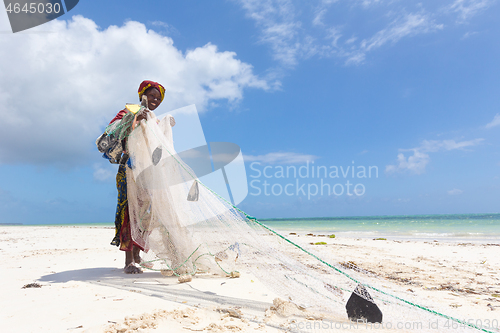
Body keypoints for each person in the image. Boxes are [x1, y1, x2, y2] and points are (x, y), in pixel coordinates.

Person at [108, 80, 175, 274]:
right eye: (152, 95)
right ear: (142, 95)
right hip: (129, 170)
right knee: (130, 211)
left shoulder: (153, 118)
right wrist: (134, 117)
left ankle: (138, 254)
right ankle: (129, 261)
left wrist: (165, 125)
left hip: (148, 172)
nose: (155, 100)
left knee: (147, 213)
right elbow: (114, 129)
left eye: (159, 98)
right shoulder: (129, 111)